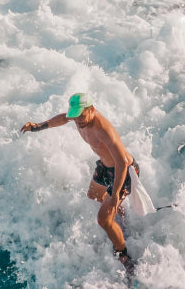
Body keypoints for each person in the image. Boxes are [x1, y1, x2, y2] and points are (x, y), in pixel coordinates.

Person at [20, 93, 138, 275]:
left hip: (122, 172)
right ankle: (121, 216)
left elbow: (122, 162)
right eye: (75, 116)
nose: (78, 121)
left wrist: (115, 195)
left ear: (91, 109)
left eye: (81, 116)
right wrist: (37, 127)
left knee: (103, 220)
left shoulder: (103, 129)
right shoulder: (77, 116)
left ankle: (124, 256)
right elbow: (62, 118)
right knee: (93, 195)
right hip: (105, 167)